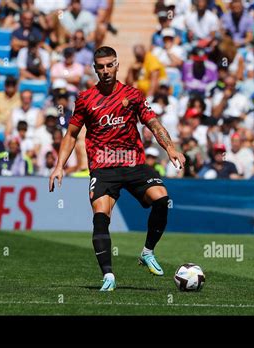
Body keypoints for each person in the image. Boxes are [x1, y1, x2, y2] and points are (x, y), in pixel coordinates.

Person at [49, 46, 185, 291]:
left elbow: (153, 123)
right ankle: (109, 276)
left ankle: (147, 251)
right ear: (94, 69)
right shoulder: (85, 99)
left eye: (109, 65)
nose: (105, 71)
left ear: (117, 65)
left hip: (133, 163)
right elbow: (71, 134)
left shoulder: (132, 95)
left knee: (162, 199)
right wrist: (59, 166)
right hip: (103, 167)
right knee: (101, 216)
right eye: (100, 67)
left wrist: (171, 148)